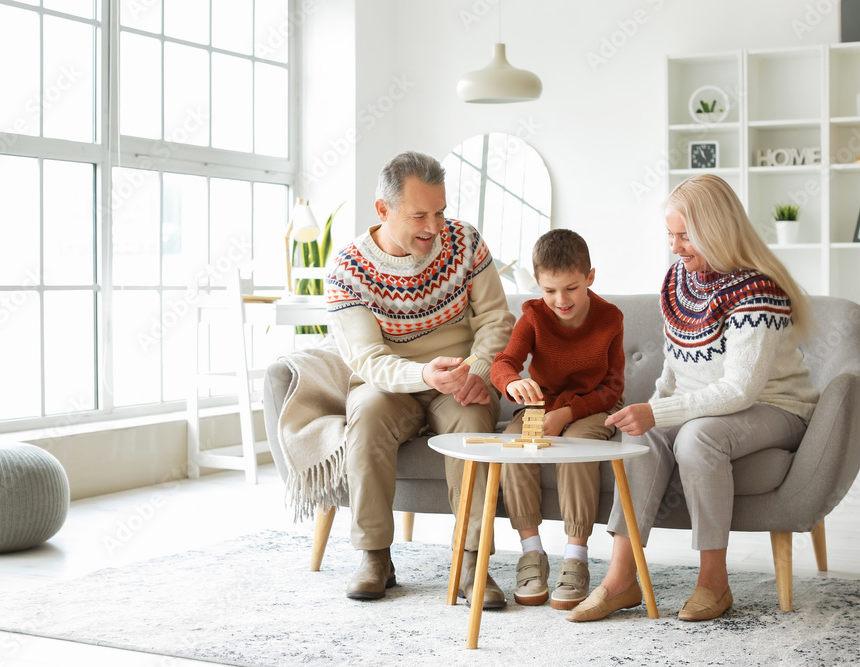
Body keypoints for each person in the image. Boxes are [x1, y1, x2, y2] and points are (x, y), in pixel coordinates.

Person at [566, 173, 819, 623]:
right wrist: (651, 415)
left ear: (716, 230)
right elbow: (677, 365)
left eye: (685, 235)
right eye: (671, 234)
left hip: (776, 407)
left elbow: (740, 390)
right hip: (711, 406)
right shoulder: (679, 278)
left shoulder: (756, 289)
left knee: (698, 439)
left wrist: (658, 411)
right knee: (641, 439)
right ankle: (621, 580)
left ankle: (714, 584)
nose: (675, 245)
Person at [325, 151, 516, 606]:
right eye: (419, 215)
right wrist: (422, 373)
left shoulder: (466, 243)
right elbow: (368, 357)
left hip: (463, 377)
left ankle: (471, 562)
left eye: (440, 211)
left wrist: (479, 368)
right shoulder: (347, 270)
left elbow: (496, 318)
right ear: (383, 210)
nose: (434, 226)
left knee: (472, 426)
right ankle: (374, 556)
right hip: (391, 382)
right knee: (367, 418)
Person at [490, 229, 625, 611]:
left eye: (571, 288)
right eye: (550, 291)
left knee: (576, 447)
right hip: (542, 406)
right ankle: (531, 553)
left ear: (590, 278)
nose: (560, 301)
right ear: (538, 284)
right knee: (516, 445)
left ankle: (575, 558)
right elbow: (504, 364)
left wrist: (567, 413)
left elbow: (612, 388)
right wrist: (514, 384)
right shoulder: (533, 316)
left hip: (593, 406)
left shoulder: (610, 318)